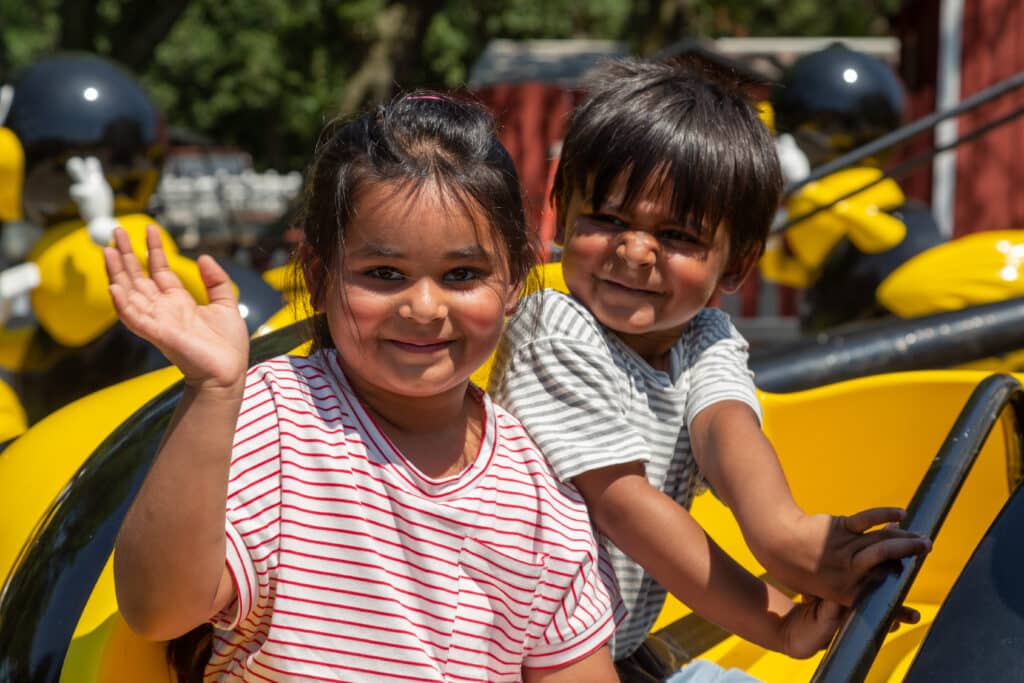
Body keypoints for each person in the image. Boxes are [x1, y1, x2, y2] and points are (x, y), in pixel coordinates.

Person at [108, 93, 620, 681]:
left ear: (513, 281)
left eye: (462, 275)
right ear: (320, 279)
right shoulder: (277, 418)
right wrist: (213, 390)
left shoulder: (538, 495)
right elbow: (158, 610)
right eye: (384, 275)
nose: (424, 307)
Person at [488, 57, 932, 679]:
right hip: (521, 659)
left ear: (735, 266)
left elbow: (726, 430)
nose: (634, 252)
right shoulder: (550, 328)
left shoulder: (704, 334)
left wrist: (784, 534)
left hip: (613, 649)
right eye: (608, 219)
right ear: (563, 212)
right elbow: (626, 508)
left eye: (677, 236)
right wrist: (775, 621)